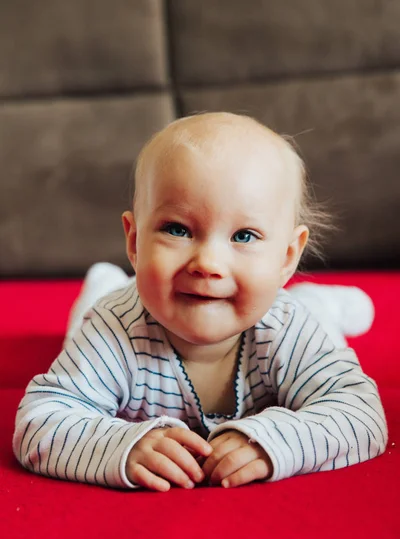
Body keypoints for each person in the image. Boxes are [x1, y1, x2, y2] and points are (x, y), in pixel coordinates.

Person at [13, 112, 387, 492]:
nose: (207, 264)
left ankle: (323, 303)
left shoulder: (287, 326)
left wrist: (274, 441)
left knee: (311, 316)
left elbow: (361, 413)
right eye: (178, 230)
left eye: (243, 236)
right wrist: (122, 447)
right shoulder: (115, 330)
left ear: (287, 258)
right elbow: (40, 422)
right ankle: (104, 281)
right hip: (118, 306)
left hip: (288, 306)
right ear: (135, 242)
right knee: (89, 315)